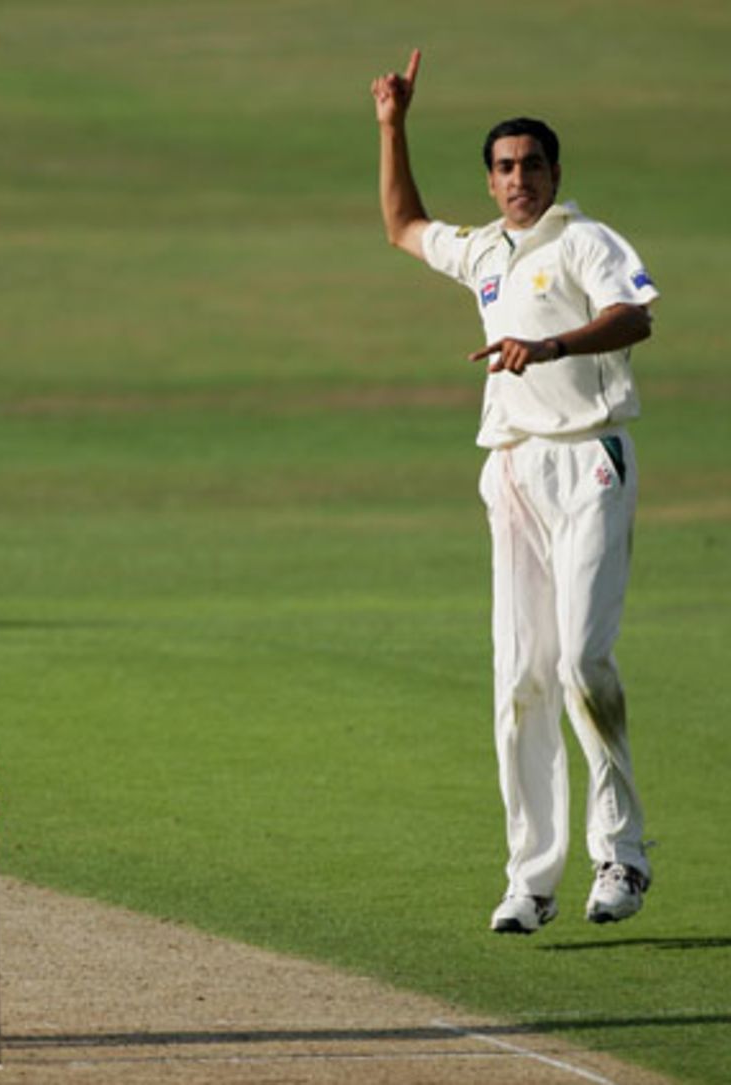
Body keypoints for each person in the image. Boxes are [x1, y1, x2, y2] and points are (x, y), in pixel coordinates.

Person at [370, 51, 658, 934]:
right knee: (520, 679)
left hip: (589, 460)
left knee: (580, 662)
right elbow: (403, 225)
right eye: (504, 168)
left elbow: (636, 316)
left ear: (555, 173)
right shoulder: (485, 251)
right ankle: (531, 881)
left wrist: (554, 347)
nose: (518, 179)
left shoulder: (584, 240)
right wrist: (392, 125)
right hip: (513, 468)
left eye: (532, 165)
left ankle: (623, 857)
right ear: (491, 183)